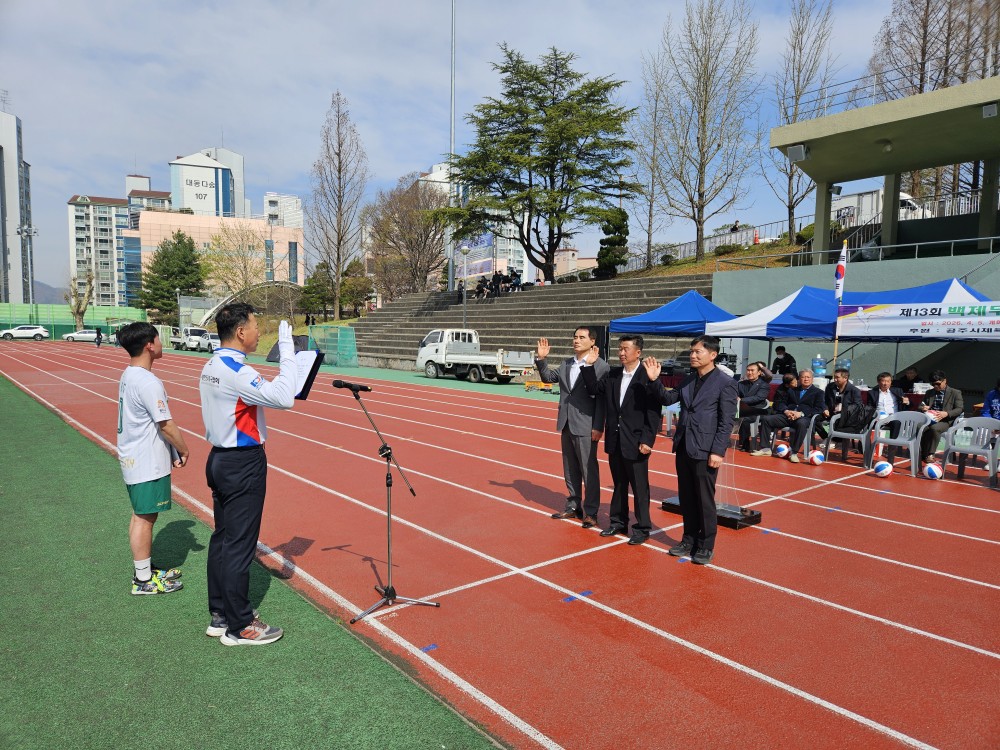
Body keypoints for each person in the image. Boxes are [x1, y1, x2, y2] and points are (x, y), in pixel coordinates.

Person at [201, 303, 297, 646]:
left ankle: (221, 614)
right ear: (241, 332)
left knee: (223, 539)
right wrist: (288, 353)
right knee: (240, 545)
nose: (259, 331)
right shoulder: (237, 371)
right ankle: (240, 626)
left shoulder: (211, 365)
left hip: (219, 459)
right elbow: (285, 398)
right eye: (255, 325)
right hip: (242, 462)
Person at [643, 336, 737, 565]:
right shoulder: (688, 379)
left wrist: (718, 451)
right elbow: (668, 398)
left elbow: (726, 421)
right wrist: (655, 380)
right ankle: (688, 540)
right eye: (691, 351)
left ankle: (706, 545)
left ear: (712, 355)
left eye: (697, 352)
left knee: (704, 500)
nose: (692, 355)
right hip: (684, 445)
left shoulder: (725, 383)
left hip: (706, 449)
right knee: (686, 498)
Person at [116, 322, 190, 595]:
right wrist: (183, 449)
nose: (161, 343)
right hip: (145, 460)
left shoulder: (130, 374)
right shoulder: (147, 381)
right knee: (144, 518)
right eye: (158, 339)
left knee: (143, 515)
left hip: (137, 455)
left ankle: (145, 570)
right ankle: (143, 580)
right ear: (149, 344)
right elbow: (165, 424)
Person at [580, 334, 662, 546]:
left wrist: (648, 440)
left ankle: (642, 528)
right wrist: (588, 366)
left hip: (636, 441)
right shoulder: (613, 374)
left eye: (626, 349)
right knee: (619, 484)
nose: (622, 353)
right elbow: (593, 389)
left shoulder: (647, 376)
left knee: (640, 488)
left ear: (638, 352)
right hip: (615, 439)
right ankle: (618, 522)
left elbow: (654, 412)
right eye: (620, 349)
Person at [535, 328, 610, 528]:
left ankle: (591, 512)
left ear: (592, 341)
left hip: (586, 425)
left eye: (581, 338)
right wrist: (542, 359)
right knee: (569, 468)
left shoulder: (601, 366)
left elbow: (601, 400)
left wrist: (598, 426)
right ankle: (573, 505)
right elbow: (547, 378)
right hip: (566, 422)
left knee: (588, 470)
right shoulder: (566, 363)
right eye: (575, 337)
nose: (576, 340)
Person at [752, 369, 824, 462]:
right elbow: (781, 403)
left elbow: (819, 409)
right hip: (787, 416)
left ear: (812, 379)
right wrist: (786, 411)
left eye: (808, 377)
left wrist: (801, 413)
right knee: (766, 419)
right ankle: (765, 449)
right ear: (799, 379)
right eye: (803, 377)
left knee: (801, 423)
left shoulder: (819, 392)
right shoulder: (792, 390)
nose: (806, 379)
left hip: (804, 418)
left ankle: (794, 452)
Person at [918, 370, 964, 465]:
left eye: (938, 384)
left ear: (944, 381)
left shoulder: (955, 392)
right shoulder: (929, 392)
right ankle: (922, 452)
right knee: (919, 426)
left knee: (934, 428)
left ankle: (930, 454)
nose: (935, 386)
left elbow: (960, 409)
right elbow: (921, 405)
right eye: (933, 384)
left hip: (946, 420)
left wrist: (946, 413)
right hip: (930, 418)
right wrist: (923, 407)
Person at [736, 361, 771, 452]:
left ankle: (745, 443)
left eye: (752, 370)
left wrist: (741, 400)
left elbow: (759, 397)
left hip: (759, 410)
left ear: (759, 372)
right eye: (748, 370)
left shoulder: (764, 384)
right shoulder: (741, 384)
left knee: (744, 420)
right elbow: (734, 394)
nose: (749, 372)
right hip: (743, 409)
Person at [873, 371, 909, 439]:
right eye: (883, 381)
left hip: (894, 416)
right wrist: (876, 416)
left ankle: (892, 444)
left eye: (888, 381)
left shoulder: (897, 391)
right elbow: (870, 407)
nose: (885, 383)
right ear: (878, 382)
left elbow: (909, 404)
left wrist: (907, 402)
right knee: (869, 422)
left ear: (891, 382)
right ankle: (869, 443)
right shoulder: (873, 393)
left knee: (897, 423)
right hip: (879, 417)